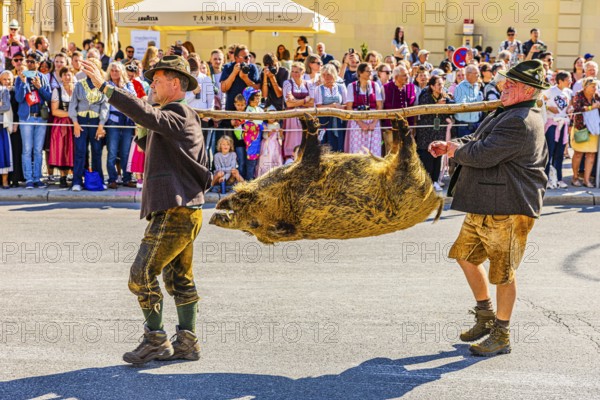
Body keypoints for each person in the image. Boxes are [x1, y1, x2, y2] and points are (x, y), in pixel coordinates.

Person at [81, 55, 211, 364]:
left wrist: (105, 87)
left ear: (175, 83)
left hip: (174, 210)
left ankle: (156, 340)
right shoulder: (175, 117)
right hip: (183, 209)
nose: (152, 83)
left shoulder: (178, 113)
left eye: (157, 79)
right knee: (179, 279)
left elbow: (149, 115)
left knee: (141, 275)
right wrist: (143, 127)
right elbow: (153, 140)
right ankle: (187, 343)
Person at [429, 60, 549, 357]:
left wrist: (455, 151)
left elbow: (483, 154)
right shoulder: (508, 111)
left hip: (508, 206)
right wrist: (451, 145)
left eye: (510, 84)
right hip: (489, 201)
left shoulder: (520, 120)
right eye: (505, 82)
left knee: (503, 273)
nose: (503, 86)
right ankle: (485, 315)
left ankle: (502, 334)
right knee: (465, 257)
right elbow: (478, 139)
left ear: (528, 90)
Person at [68, 58, 109, 192]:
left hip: (96, 122)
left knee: (96, 151)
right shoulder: (79, 85)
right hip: (81, 121)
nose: (90, 70)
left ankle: (99, 181)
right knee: (80, 152)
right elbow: (73, 104)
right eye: (88, 67)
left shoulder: (103, 86)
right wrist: (75, 123)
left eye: (93, 67)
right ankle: (77, 181)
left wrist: (101, 125)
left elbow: (105, 106)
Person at [15, 52, 52, 189]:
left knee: (38, 149)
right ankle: (29, 178)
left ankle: (37, 178)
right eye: (28, 61)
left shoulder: (43, 77)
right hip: (26, 118)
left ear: (38, 64)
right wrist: (24, 83)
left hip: (40, 117)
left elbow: (49, 97)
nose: (29, 64)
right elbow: (19, 99)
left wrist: (39, 87)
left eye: (32, 62)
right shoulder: (20, 78)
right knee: (27, 149)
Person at [416, 76, 452, 191]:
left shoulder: (444, 96)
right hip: (426, 133)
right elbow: (425, 109)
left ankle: (436, 180)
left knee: (438, 156)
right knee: (427, 158)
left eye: (442, 84)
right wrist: (437, 104)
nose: (441, 87)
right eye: (438, 84)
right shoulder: (425, 95)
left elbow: (449, 108)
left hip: (438, 131)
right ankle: (427, 182)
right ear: (432, 86)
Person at [105, 62, 136, 189]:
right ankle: (112, 178)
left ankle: (127, 178)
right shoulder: (107, 84)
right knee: (112, 152)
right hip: (113, 119)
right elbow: (107, 98)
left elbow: (133, 98)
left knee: (125, 152)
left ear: (122, 71)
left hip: (127, 120)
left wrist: (123, 87)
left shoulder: (128, 84)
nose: (114, 73)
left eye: (117, 70)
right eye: (112, 70)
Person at [345, 62, 383, 156]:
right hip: (357, 120)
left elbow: (379, 105)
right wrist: (361, 123)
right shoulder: (352, 86)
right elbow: (349, 107)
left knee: (374, 151)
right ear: (360, 73)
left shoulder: (375, 85)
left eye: (371, 71)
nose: (370, 73)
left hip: (373, 119)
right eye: (368, 71)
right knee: (357, 150)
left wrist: (374, 123)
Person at [542, 71, 572, 189]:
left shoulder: (568, 92)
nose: (570, 82)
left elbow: (566, 107)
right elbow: (539, 103)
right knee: (549, 152)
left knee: (560, 153)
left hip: (563, 124)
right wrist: (549, 107)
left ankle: (559, 179)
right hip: (551, 124)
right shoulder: (550, 91)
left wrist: (570, 109)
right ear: (560, 81)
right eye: (568, 79)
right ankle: (546, 179)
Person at [48, 67, 75, 188]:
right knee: (62, 149)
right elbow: (54, 111)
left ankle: (76, 176)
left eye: (69, 75)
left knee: (75, 149)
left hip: (75, 123)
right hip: (62, 124)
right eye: (64, 75)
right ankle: (63, 177)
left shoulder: (77, 89)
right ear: (61, 77)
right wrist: (71, 114)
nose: (67, 77)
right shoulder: (57, 90)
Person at [570, 77, 599, 188]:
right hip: (580, 128)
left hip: (593, 129)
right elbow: (576, 109)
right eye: (592, 86)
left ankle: (587, 180)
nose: (594, 88)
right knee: (578, 154)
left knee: (591, 154)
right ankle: (575, 177)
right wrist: (591, 107)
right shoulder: (579, 94)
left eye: (595, 86)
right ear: (585, 87)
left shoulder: (596, 96)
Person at [382, 65, 416, 155]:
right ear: (396, 77)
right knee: (391, 152)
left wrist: (412, 126)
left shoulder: (411, 87)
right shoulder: (386, 88)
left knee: (406, 152)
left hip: (407, 126)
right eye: (404, 75)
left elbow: (412, 106)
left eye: (407, 74)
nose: (407, 77)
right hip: (390, 128)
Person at [314, 64, 347, 152]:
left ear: (334, 75)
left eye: (329, 74)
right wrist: (333, 106)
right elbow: (319, 107)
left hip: (339, 121)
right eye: (324, 75)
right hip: (324, 121)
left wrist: (340, 107)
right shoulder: (319, 89)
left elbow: (347, 105)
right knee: (325, 145)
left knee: (340, 144)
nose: (326, 77)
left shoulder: (341, 87)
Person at [283, 62, 312, 157]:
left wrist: (295, 101)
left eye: (297, 72)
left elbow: (312, 103)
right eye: (293, 72)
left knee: (305, 139)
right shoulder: (287, 83)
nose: (294, 74)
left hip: (306, 116)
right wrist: (305, 100)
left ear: (303, 72)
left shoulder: (308, 84)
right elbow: (288, 103)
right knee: (292, 139)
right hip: (292, 116)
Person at [453, 64, 483, 137]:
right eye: (476, 73)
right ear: (468, 75)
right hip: (464, 125)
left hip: (476, 124)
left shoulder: (476, 86)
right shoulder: (460, 87)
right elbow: (462, 106)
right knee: (464, 147)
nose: (478, 76)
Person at [242, 87, 263, 181]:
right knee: (251, 161)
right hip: (252, 139)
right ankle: (249, 181)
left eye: (259, 97)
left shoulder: (260, 109)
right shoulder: (248, 111)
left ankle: (255, 179)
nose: (258, 99)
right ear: (250, 99)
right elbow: (249, 124)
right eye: (256, 97)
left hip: (260, 138)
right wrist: (260, 127)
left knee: (257, 161)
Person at [257, 107, 284, 177]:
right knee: (266, 159)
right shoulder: (264, 124)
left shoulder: (277, 124)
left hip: (275, 145)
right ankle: (264, 175)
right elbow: (264, 136)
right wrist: (270, 132)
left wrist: (280, 133)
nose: (272, 118)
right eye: (270, 116)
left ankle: (275, 175)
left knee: (275, 158)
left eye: (273, 116)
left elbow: (280, 138)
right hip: (267, 145)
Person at [0, 73, 13, 188]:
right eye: (4, 79)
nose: (6, 81)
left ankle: (5, 181)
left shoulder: (4, 91)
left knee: (4, 154)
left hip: (2, 126)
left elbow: (6, 107)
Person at [231, 94, 248, 178]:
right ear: (235, 105)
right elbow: (232, 123)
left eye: (242, 105)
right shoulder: (234, 114)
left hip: (248, 141)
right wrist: (234, 122)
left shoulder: (248, 114)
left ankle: (247, 178)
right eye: (238, 105)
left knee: (247, 161)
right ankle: (240, 178)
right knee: (241, 161)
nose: (240, 107)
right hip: (238, 142)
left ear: (245, 104)